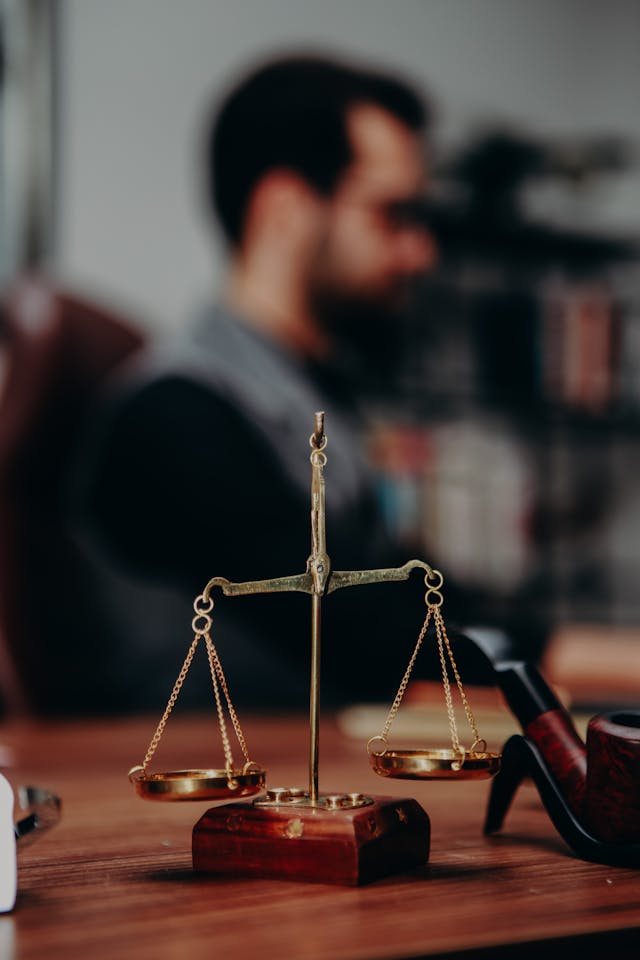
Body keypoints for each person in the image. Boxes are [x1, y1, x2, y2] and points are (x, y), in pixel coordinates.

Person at [76, 53, 471, 711]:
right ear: (285, 209)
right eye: (392, 214)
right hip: (220, 790)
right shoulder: (176, 415)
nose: (419, 252)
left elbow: (414, 597)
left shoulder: (317, 401)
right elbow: (366, 638)